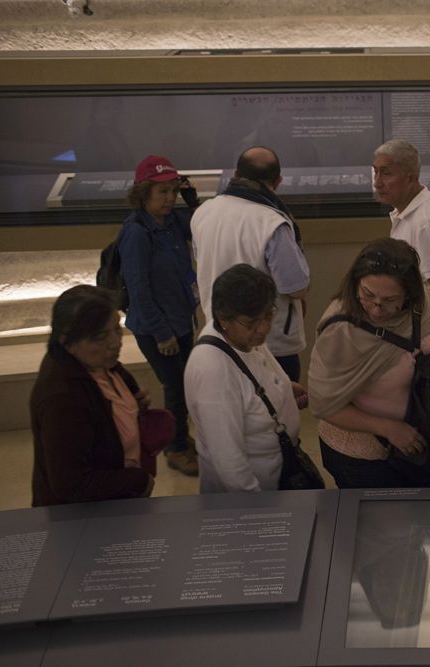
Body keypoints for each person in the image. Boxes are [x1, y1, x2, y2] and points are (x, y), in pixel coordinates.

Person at [308, 238, 430, 489]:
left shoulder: (418, 305)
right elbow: (324, 405)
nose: (377, 310)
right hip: (362, 459)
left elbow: (429, 338)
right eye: (367, 295)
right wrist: (389, 428)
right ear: (354, 283)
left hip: (415, 446)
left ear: (409, 294)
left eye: (390, 300)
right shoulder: (339, 330)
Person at [184, 264, 307, 493]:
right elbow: (229, 463)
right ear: (223, 319)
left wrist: (283, 389)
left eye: (268, 315)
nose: (264, 328)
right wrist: (257, 510)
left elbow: (251, 378)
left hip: (278, 470)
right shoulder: (213, 371)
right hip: (253, 495)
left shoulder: (242, 335)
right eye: (252, 323)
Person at [191, 146, 310, 381]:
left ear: (235, 175)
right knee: (278, 410)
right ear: (277, 181)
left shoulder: (203, 212)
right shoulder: (272, 222)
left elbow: (200, 259)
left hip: (221, 334)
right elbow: (295, 287)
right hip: (269, 343)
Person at [30, 285, 155, 506]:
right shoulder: (63, 398)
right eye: (100, 337)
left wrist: (133, 407)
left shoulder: (101, 364)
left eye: (117, 329)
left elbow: (104, 417)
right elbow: (71, 483)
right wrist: (137, 481)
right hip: (84, 521)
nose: (116, 342)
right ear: (67, 342)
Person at [118, 155, 200, 476]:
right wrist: (162, 333)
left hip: (181, 320)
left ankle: (181, 436)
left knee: (186, 385)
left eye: (173, 191)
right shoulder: (137, 233)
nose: (169, 199)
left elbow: (201, 226)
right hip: (157, 328)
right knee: (176, 388)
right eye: (161, 193)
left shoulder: (173, 221)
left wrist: (193, 201)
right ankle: (176, 447)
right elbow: (139, 291)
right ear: (143, 194)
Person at [373, 139, 430, 359]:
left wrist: (428, 347)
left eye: (386, 174)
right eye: (375, 172)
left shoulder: (426, 223)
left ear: (411, 178)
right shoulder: (408, 213)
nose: (377, 182)